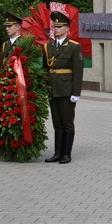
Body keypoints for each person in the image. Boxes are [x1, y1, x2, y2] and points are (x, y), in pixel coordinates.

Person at [43, 11, 84, 164]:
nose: (56, 29)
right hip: (53, 89)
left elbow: (78, 72)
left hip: (67, 90)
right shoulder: (48, 47)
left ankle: (66, 154)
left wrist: (76, 92)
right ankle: (57, 153)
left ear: (67, 29)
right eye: (55, 26)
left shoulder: (74, 47)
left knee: (67, 123)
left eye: (59, 26)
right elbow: (45, 68)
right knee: (57, 123)